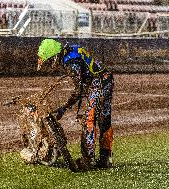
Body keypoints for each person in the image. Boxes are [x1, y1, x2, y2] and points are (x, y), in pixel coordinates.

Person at [37, 38, 114, 169]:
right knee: (104, 121)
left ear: (54, 55)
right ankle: (105, 159)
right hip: (106, 79)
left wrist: (64, 107)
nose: (50, 64)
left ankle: (88, 160)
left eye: (50, 60)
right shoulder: (72, 49)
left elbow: (78, 89)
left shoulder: (70, 61)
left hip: (98, 83)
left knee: (89, 120)